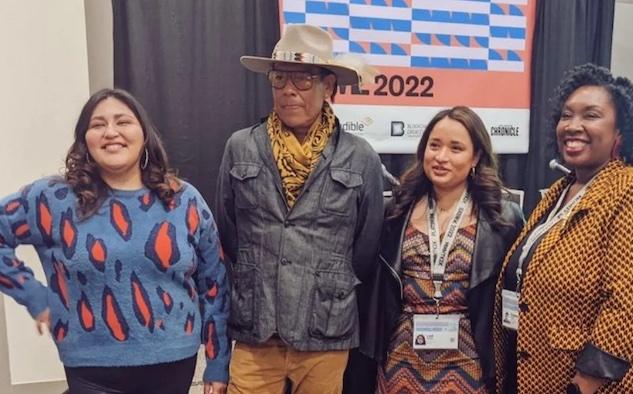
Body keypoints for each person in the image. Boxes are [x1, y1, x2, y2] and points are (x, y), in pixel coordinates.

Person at [0, 89, 230, 394]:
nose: (111, 132)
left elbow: (215, 285)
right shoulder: (53, 199)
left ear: (144, 135)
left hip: (174, 364)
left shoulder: (182, 199)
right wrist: (35, 297)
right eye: (97, 125)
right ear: (85, 140)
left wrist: (217, 362)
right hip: (91, 369)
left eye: (123, 122)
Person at [215, 24, 384, 394]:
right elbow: (228, 231)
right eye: (279, 79)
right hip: (257, 325)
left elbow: (366, 248)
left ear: (329, 88)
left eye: (304, 81)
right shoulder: (241, 147)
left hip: (325, 325)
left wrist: (326, 281)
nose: (289, 91)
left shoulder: (360, 157)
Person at [493, 64, 633, 393]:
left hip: (609, 385)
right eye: (567, 115)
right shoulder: (561, 191)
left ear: (620, 131)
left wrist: (585, 384)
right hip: (544, 374)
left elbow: (632, 305)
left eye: (591, 115)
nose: (573, 126)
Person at [354, 106, 523, 393]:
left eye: (456, 148)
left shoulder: (504, 218)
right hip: (401, 361)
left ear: (476, 157)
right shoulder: (395, 211)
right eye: (435, 145)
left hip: (470, 364)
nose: (441, 157)